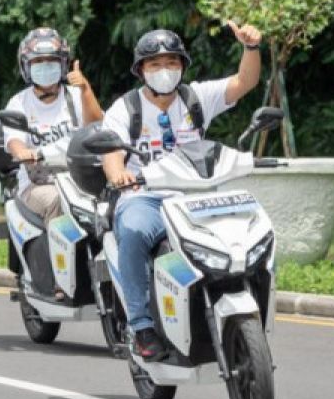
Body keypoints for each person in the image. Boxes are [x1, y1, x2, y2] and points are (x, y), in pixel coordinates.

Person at [101, 22, 263, 360]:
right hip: (145, 198)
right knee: (131, 233)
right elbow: (111, 154)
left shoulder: (196, 97)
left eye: (172, 63)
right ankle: (142, 326)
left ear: (182, 67)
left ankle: (243, 302)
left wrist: (250, 48)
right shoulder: (125, 109)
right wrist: (119, 176)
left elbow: (243, 82)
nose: (165, 71)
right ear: (141, 70)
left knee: (250, 230)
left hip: (198, 197)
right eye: (155, 64)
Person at [2, 27, 103, 223]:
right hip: (37, 184)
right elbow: (14, 140)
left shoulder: (75, 96)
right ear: (26, 66)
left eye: (52, 61)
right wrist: (24, 153)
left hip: (81, 179)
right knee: (57, 201)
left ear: (63, 64)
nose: (45, 65)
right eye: (38, 61)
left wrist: (85, 89)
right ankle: (58, 254)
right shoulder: (19, 103)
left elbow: (98, 127)